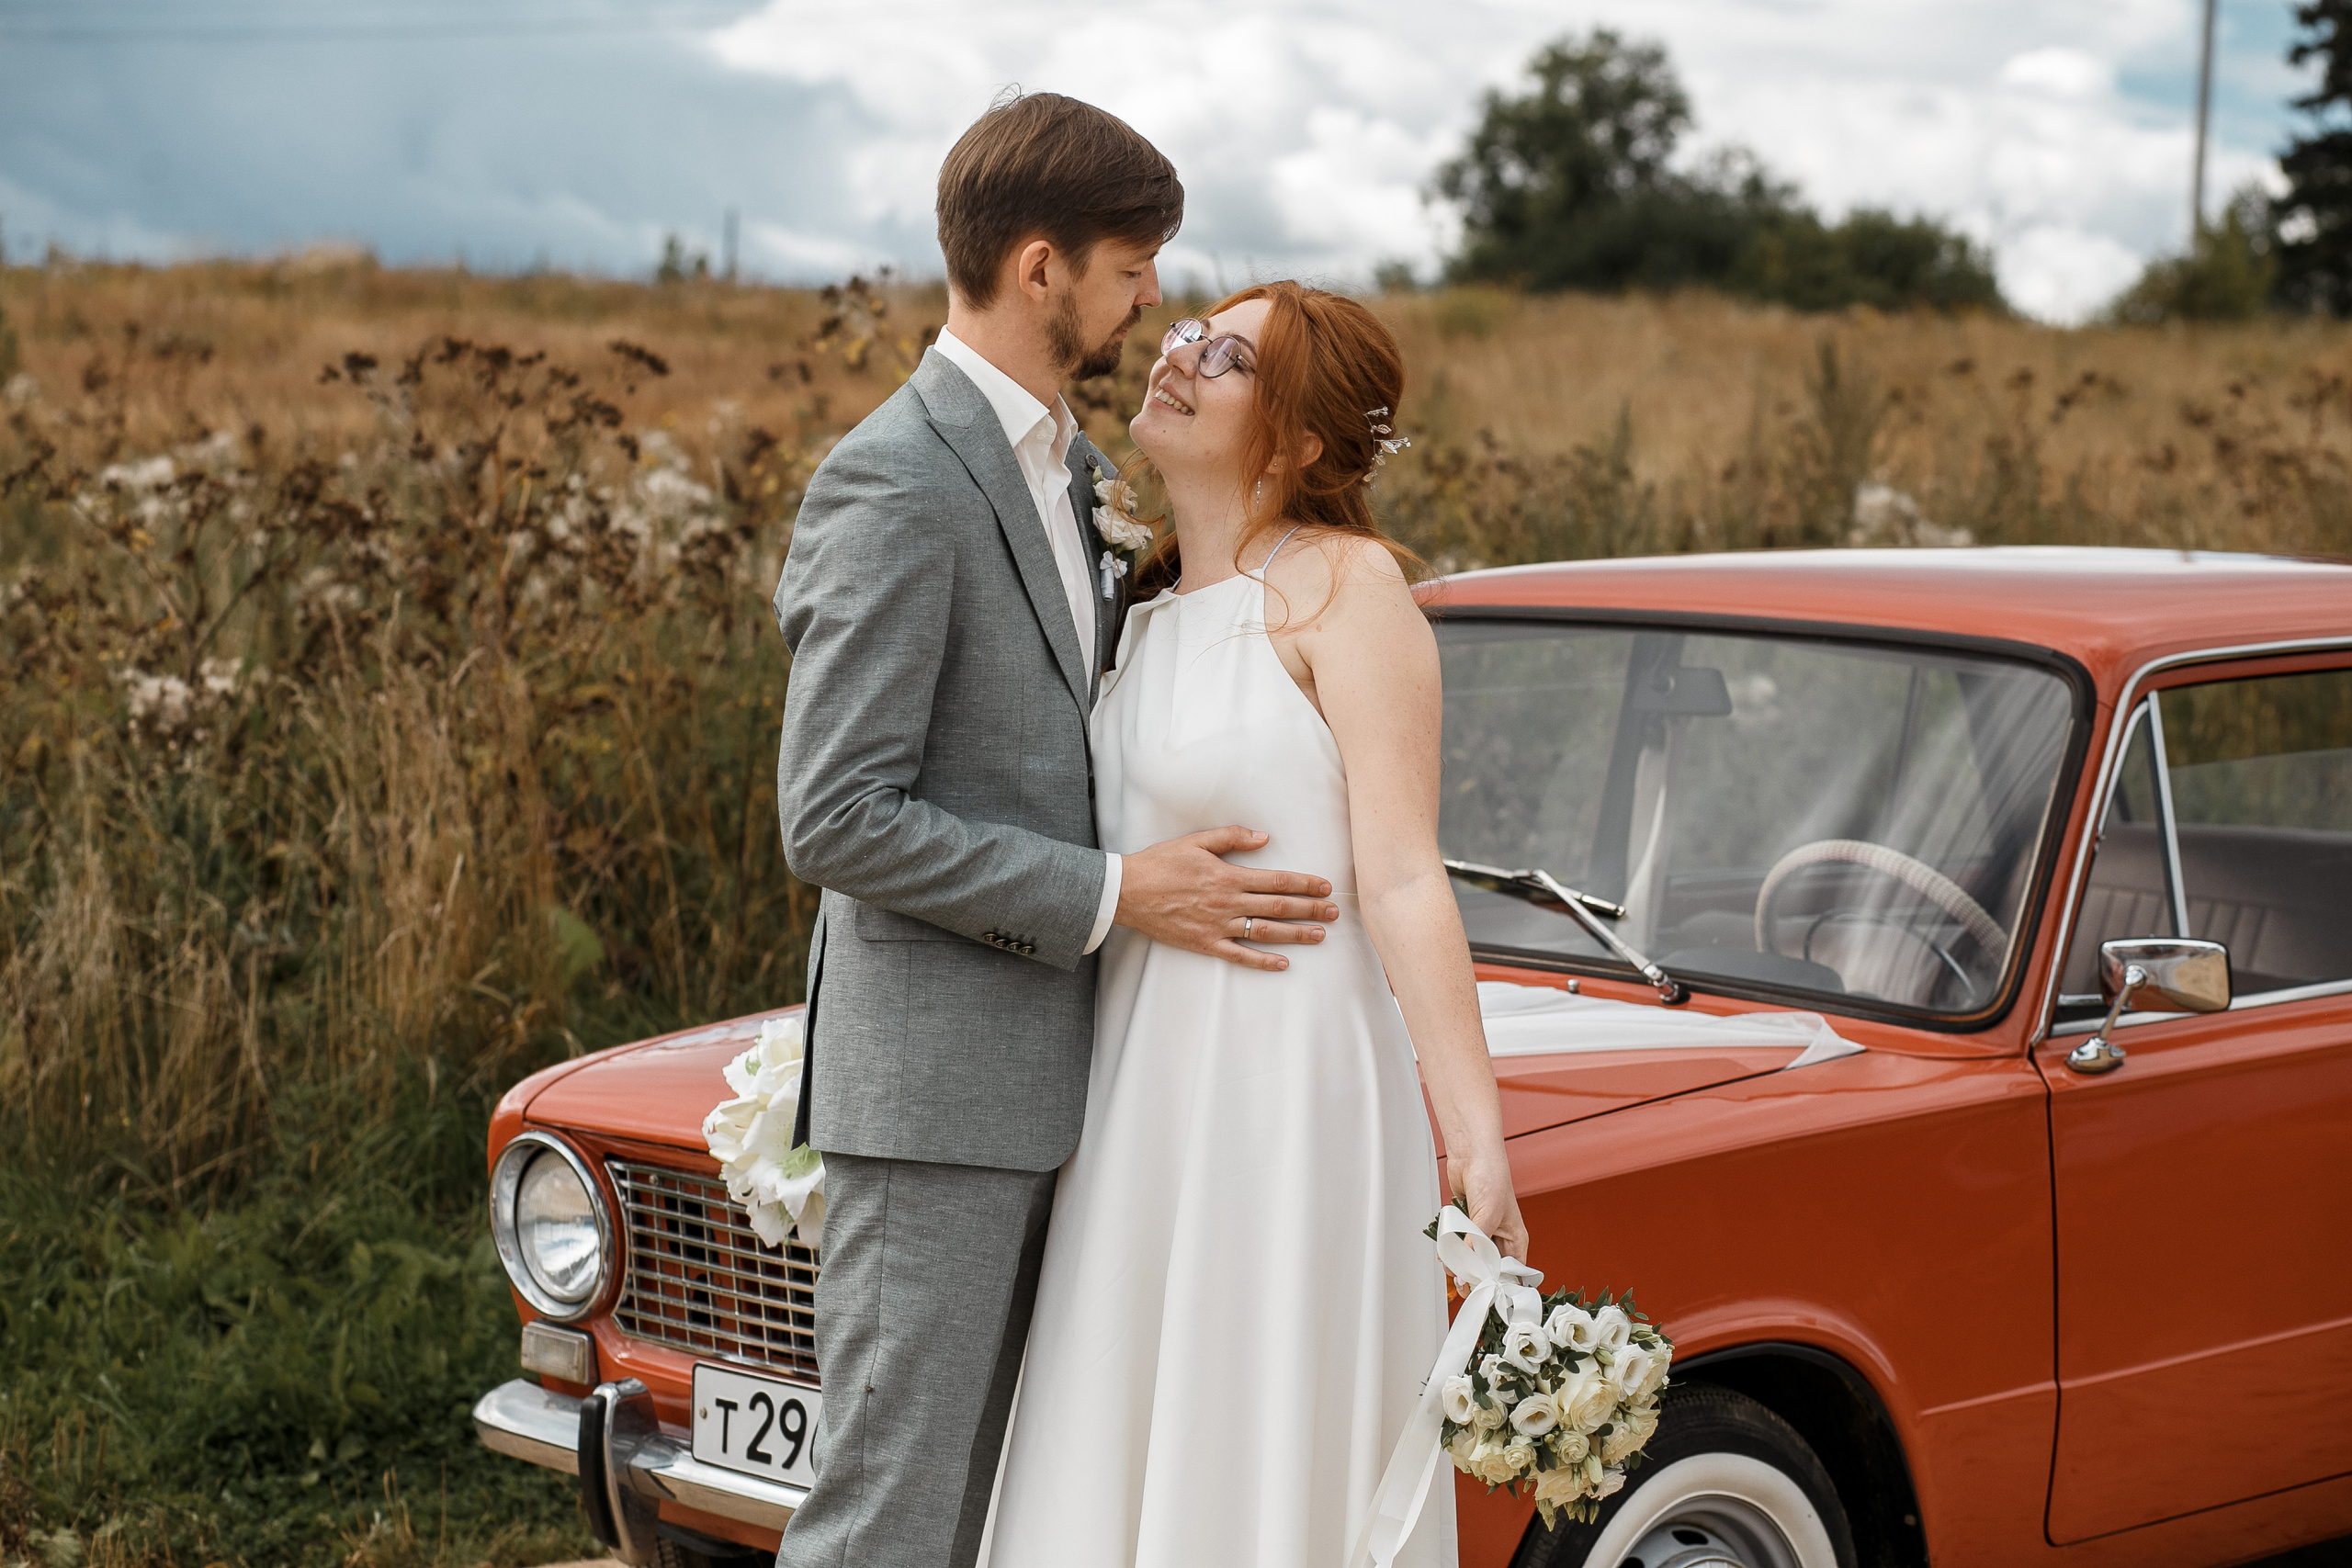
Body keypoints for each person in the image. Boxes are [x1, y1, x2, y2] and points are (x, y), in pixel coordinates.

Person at [770, 94, 1339, 1568]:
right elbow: (834, 813)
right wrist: (1110, 893)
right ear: (1041, 269)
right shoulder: (893, 478)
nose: (1153, 297)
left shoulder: (1068, 469)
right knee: (890, 1520)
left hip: (1075, 1094)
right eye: (1134, 262)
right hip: (941, 1105)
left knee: (1003, 1514)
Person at [982, 283, 1528, 1567]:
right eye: (1186, 334)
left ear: (1295, 445)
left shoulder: (1347, 590)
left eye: (1227, 359)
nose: (1178, 358)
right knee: (1119, 1418)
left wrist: (1478, 1134)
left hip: (1285, 1087)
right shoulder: (1140, 606)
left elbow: (1400, 875)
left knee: (1258, 1427)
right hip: (1137, 1086)